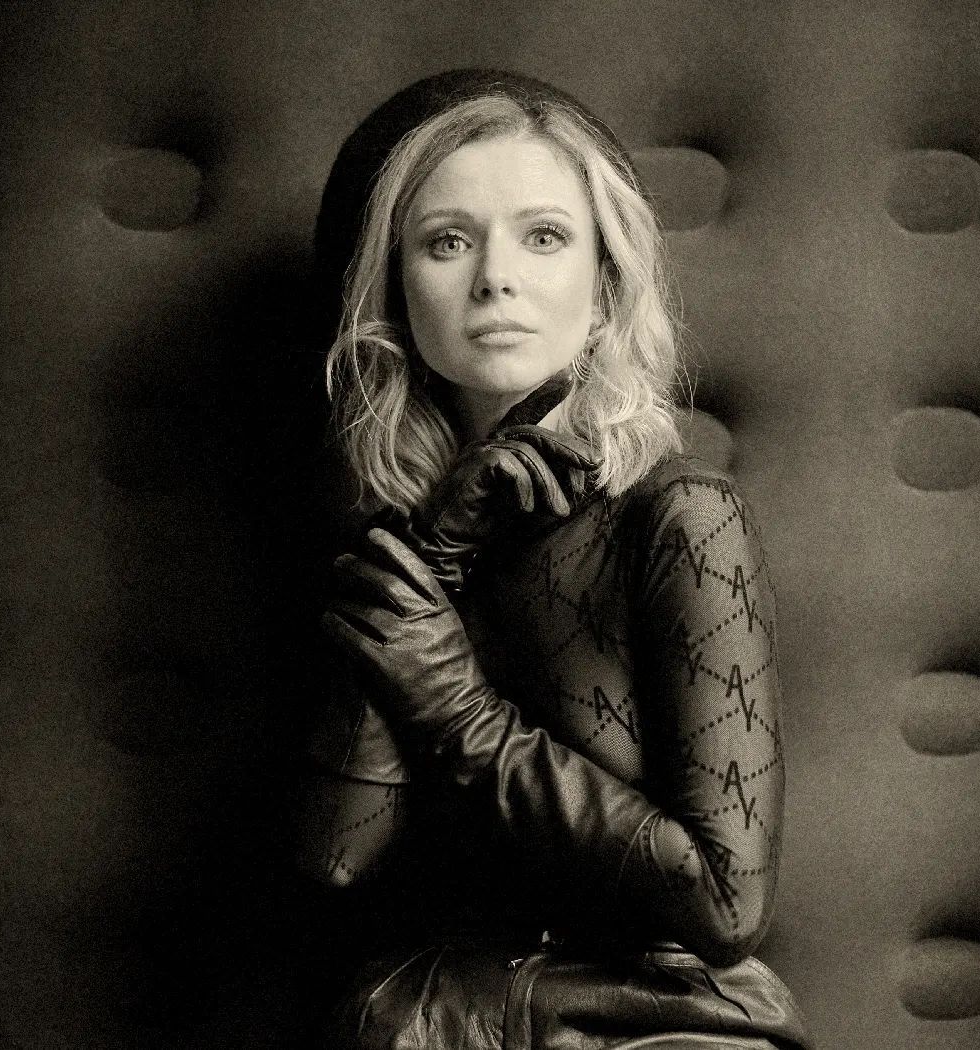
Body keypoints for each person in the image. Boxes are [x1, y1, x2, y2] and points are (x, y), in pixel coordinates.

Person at [301, 69, 812, 1050]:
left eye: (543, 236)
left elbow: (726, 901)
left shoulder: (683, 517)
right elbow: (334, 858)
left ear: (606, 284)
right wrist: (432, 556)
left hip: (661, 1028)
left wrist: (459, 711)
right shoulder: (403, 537)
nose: (495, 277)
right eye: (448, 241)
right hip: (443, 1024)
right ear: (396, 290)